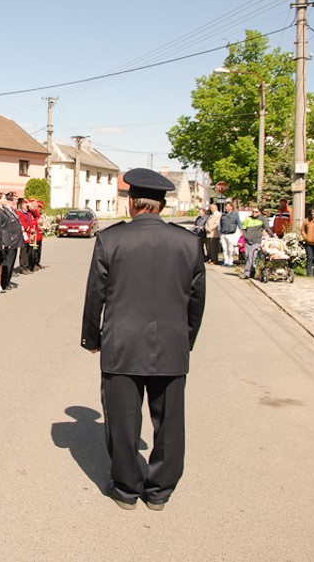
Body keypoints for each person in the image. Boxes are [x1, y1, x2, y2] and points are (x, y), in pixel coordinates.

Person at [81, 168, 206, 511]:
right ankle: (159, 491)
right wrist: (186, 340)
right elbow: (197, 301)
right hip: (171, 344)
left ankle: (126, 488)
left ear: (132, 203)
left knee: (122, 420)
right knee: (169, 421)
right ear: (162, 206)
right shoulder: (188, 242)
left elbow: (96, 296)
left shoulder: (111, 239)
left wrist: (92, 338)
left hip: (122, 345)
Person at [241, 205, 272, 280]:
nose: (254, 213)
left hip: (256, 241)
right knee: (248, 256)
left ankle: (246, 273)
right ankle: (252, 272)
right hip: (248, 241)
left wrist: (272, 235)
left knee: (251, 256)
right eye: (253, 211)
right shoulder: (248, 218)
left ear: (260, 212)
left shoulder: (262, 219)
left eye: (256, 212)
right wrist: (245, 236)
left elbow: (267, 228)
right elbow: (244, 228)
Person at [219, 202, 242, 267]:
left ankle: (230, 261)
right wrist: (220, 231)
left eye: (228, 206)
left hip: (231, 234)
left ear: (231, 207)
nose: (226, 208)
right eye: (226, 207)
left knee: (230, 248)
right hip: (223, 233)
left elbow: (238, 223)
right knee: (224, 248)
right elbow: (220, 224)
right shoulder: (223, 215)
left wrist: (241, 230)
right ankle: (226, 261)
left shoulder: (235, 214)